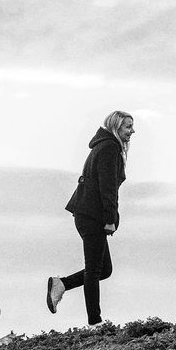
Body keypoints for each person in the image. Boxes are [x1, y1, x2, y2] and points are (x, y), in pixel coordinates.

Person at [46, 111, 134, 325]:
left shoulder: (104, 146)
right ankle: (95, 321)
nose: (132, 131)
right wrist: (110, 218)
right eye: (127, 127)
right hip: (92, 215)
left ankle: (62, 284)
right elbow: (108, 187)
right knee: (94, 270)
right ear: (115, 127)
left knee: (104, 269)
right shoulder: (109, 148)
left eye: (132, 126)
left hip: (88, 213)